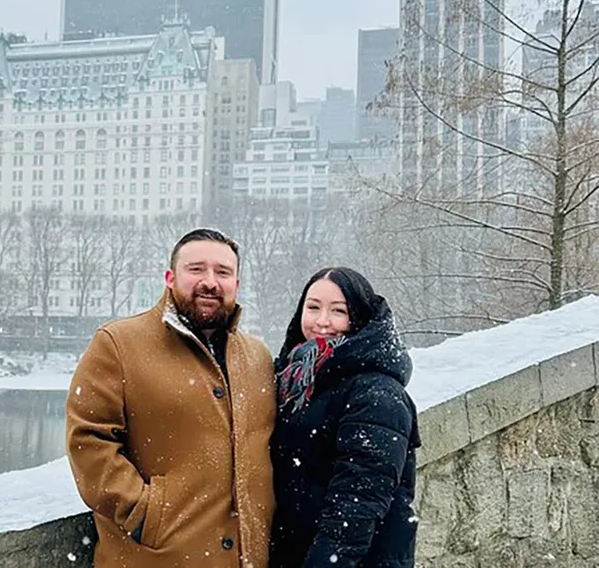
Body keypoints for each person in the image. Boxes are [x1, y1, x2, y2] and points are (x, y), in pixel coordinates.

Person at [66, 228, 276, 568]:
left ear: (236, 285)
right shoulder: (119, 344)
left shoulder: (258, 357)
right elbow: (89, 441)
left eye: (223, 272)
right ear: (169, 277)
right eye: (196, 269)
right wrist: (146, 514)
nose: (210, 281)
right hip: (155, 558)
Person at [269, 267, 421, 568]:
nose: (322, 321)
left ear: (360, 318)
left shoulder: (377, 393)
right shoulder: (294, 379)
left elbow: (356, 507)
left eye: (338, 311)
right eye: (313, 308)